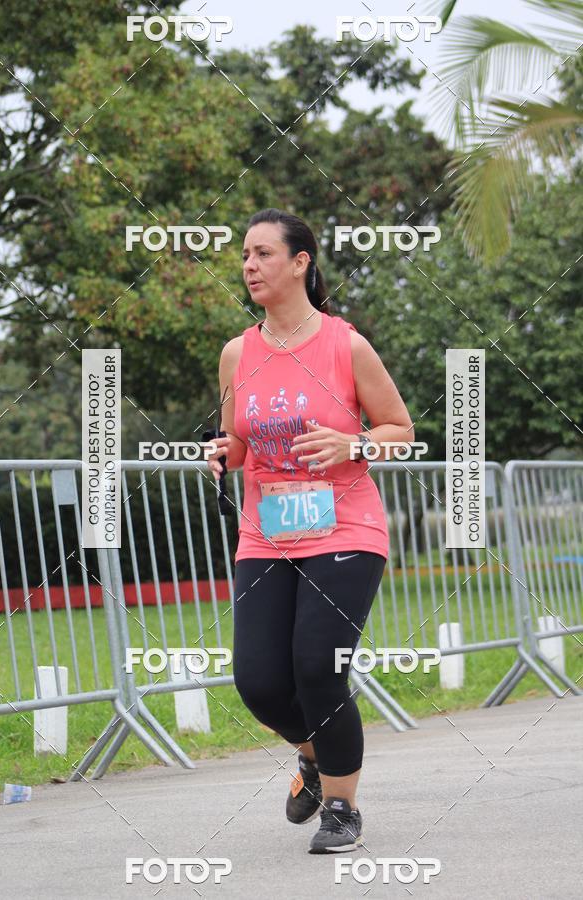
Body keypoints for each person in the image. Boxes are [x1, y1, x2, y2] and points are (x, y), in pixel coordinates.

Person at [207, 208, 414, 854]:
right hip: (267, 533)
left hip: (345, 528)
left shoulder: (345, 345)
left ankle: (342, 808)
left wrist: (354, 443)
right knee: (259, 680)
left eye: (264, 253)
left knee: (317, 669)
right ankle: (315, 760)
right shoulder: (237, 353)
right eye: (245, 254)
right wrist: (222, 453)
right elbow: (238, 442)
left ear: (301, 262)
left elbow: (400, 433)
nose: (249, 265)